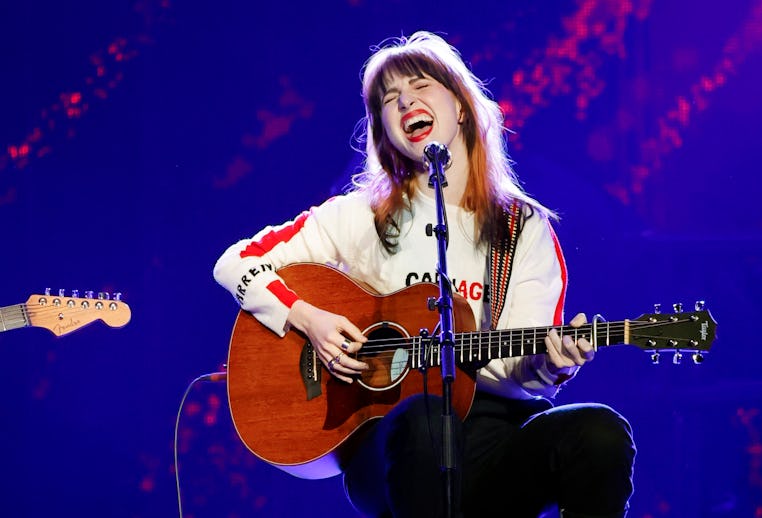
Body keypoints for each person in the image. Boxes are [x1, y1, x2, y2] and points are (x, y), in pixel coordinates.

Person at [213, 31, 635, 518]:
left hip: (497, 439)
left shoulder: (522, 227)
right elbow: (234, 262)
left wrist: (552, 365)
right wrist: (308, 318)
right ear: (385, 130)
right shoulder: (357, 215)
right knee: (426, 417)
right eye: (389, 99)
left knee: (599, 431)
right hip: (392, 442)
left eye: (420, 86)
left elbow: (523, 371)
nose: (405, 101)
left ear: (461, 107)